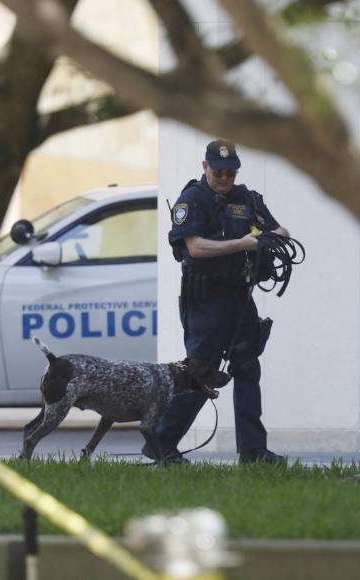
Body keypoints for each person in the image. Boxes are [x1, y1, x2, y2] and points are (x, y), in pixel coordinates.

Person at [145, 139, 289, 465]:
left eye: (230, 173)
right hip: (205, 299)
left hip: (240, 296)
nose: (224, 178)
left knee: (247, 367)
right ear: (205, 167)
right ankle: (162, 442)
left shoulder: (246, 199)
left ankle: (253, 450)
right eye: (219, 171)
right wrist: (243, 244)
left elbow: (280, 231)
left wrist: (264, 240)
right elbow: (195, 247)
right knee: (200, 372)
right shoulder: (193, 200)